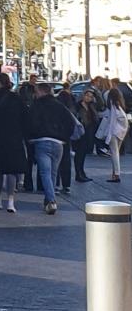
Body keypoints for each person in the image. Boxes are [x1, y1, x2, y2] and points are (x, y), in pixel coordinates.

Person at [27, 83, 74, 214]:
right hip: (58, 142)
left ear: (41, 92)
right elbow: (71, 122)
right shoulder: (59, 106)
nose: (34, 94)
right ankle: (49, 200)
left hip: (42, 141)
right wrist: (64, 137)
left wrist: (31, 137)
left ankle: (51, 200)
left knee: (45, 173)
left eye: (36, 92)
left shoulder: (36, 106)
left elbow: (30, 122)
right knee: (53, 173)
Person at [0, 73, 27, 213]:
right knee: (12, 171)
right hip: (14, 139)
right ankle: (10, 201)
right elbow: (25, 118)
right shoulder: (17, 98)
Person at [74, 88, 99, 182]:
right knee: (79, 153)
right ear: (83, 95)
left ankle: (82, 172)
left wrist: (96, 92)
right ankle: (78, 173)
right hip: (80, 131)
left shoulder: (91, 106)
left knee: (84, 153)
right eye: (87, 95)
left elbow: (100, 104)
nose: (88, 98)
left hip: (89, 131)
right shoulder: (78, 106)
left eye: (91, 97)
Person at [104, 88, 129, 183]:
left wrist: (108, 136)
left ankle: (116, 174)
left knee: (114, 154)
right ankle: (115, 174)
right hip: (121, 131)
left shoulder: (112, 104)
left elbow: (112, 121)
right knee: (116, 153)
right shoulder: (120, 105)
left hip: (115, 131)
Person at [55, 87, 77, 195]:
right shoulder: (71, 110)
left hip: (56, 138)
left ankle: (56, 184)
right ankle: (66, 185)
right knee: (66, 162)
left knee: (56, 162)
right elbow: (72, 125)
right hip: (66, 139)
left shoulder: (56, 109)